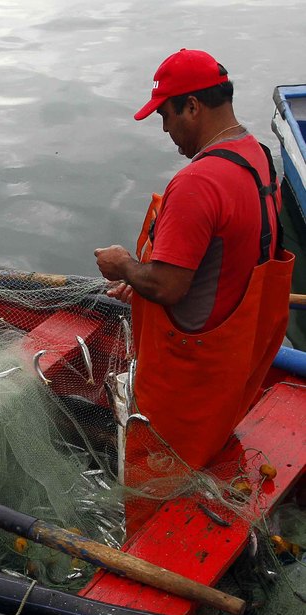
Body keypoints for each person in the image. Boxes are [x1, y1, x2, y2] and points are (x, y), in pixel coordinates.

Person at [94, 49, 294, 475]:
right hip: (233, 369)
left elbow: (169, 287)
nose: (166, 130)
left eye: (166, 116)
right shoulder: (257, 159)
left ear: (192, 105)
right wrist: (143, 282)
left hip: (186, 379)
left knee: (157, 483)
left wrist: (125, 265)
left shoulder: (197, 182)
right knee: (199, 463)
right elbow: (221, 266)